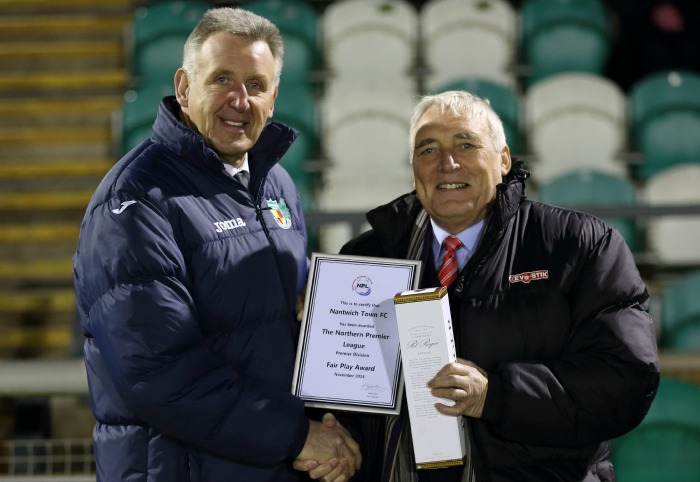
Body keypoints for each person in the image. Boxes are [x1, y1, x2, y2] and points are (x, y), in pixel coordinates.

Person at [72, 7, 360, 482]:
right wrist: (298, 436)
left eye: (256, 84)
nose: (239, 100)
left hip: (270, 463)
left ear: (274, 97)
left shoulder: (277, 185)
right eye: (222, 79)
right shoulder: (136, 200)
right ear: (184, 87)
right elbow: (158, 371)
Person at [339, 90, 660, 481]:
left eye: (466, 144)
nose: (447, 163)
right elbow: (344, 392)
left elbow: (625, 381)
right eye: (427, 150)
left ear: (503, 161)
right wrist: (332, 432)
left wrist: (495, 396)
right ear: (413, 170)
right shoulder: (364, 259)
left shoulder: (580, 244)